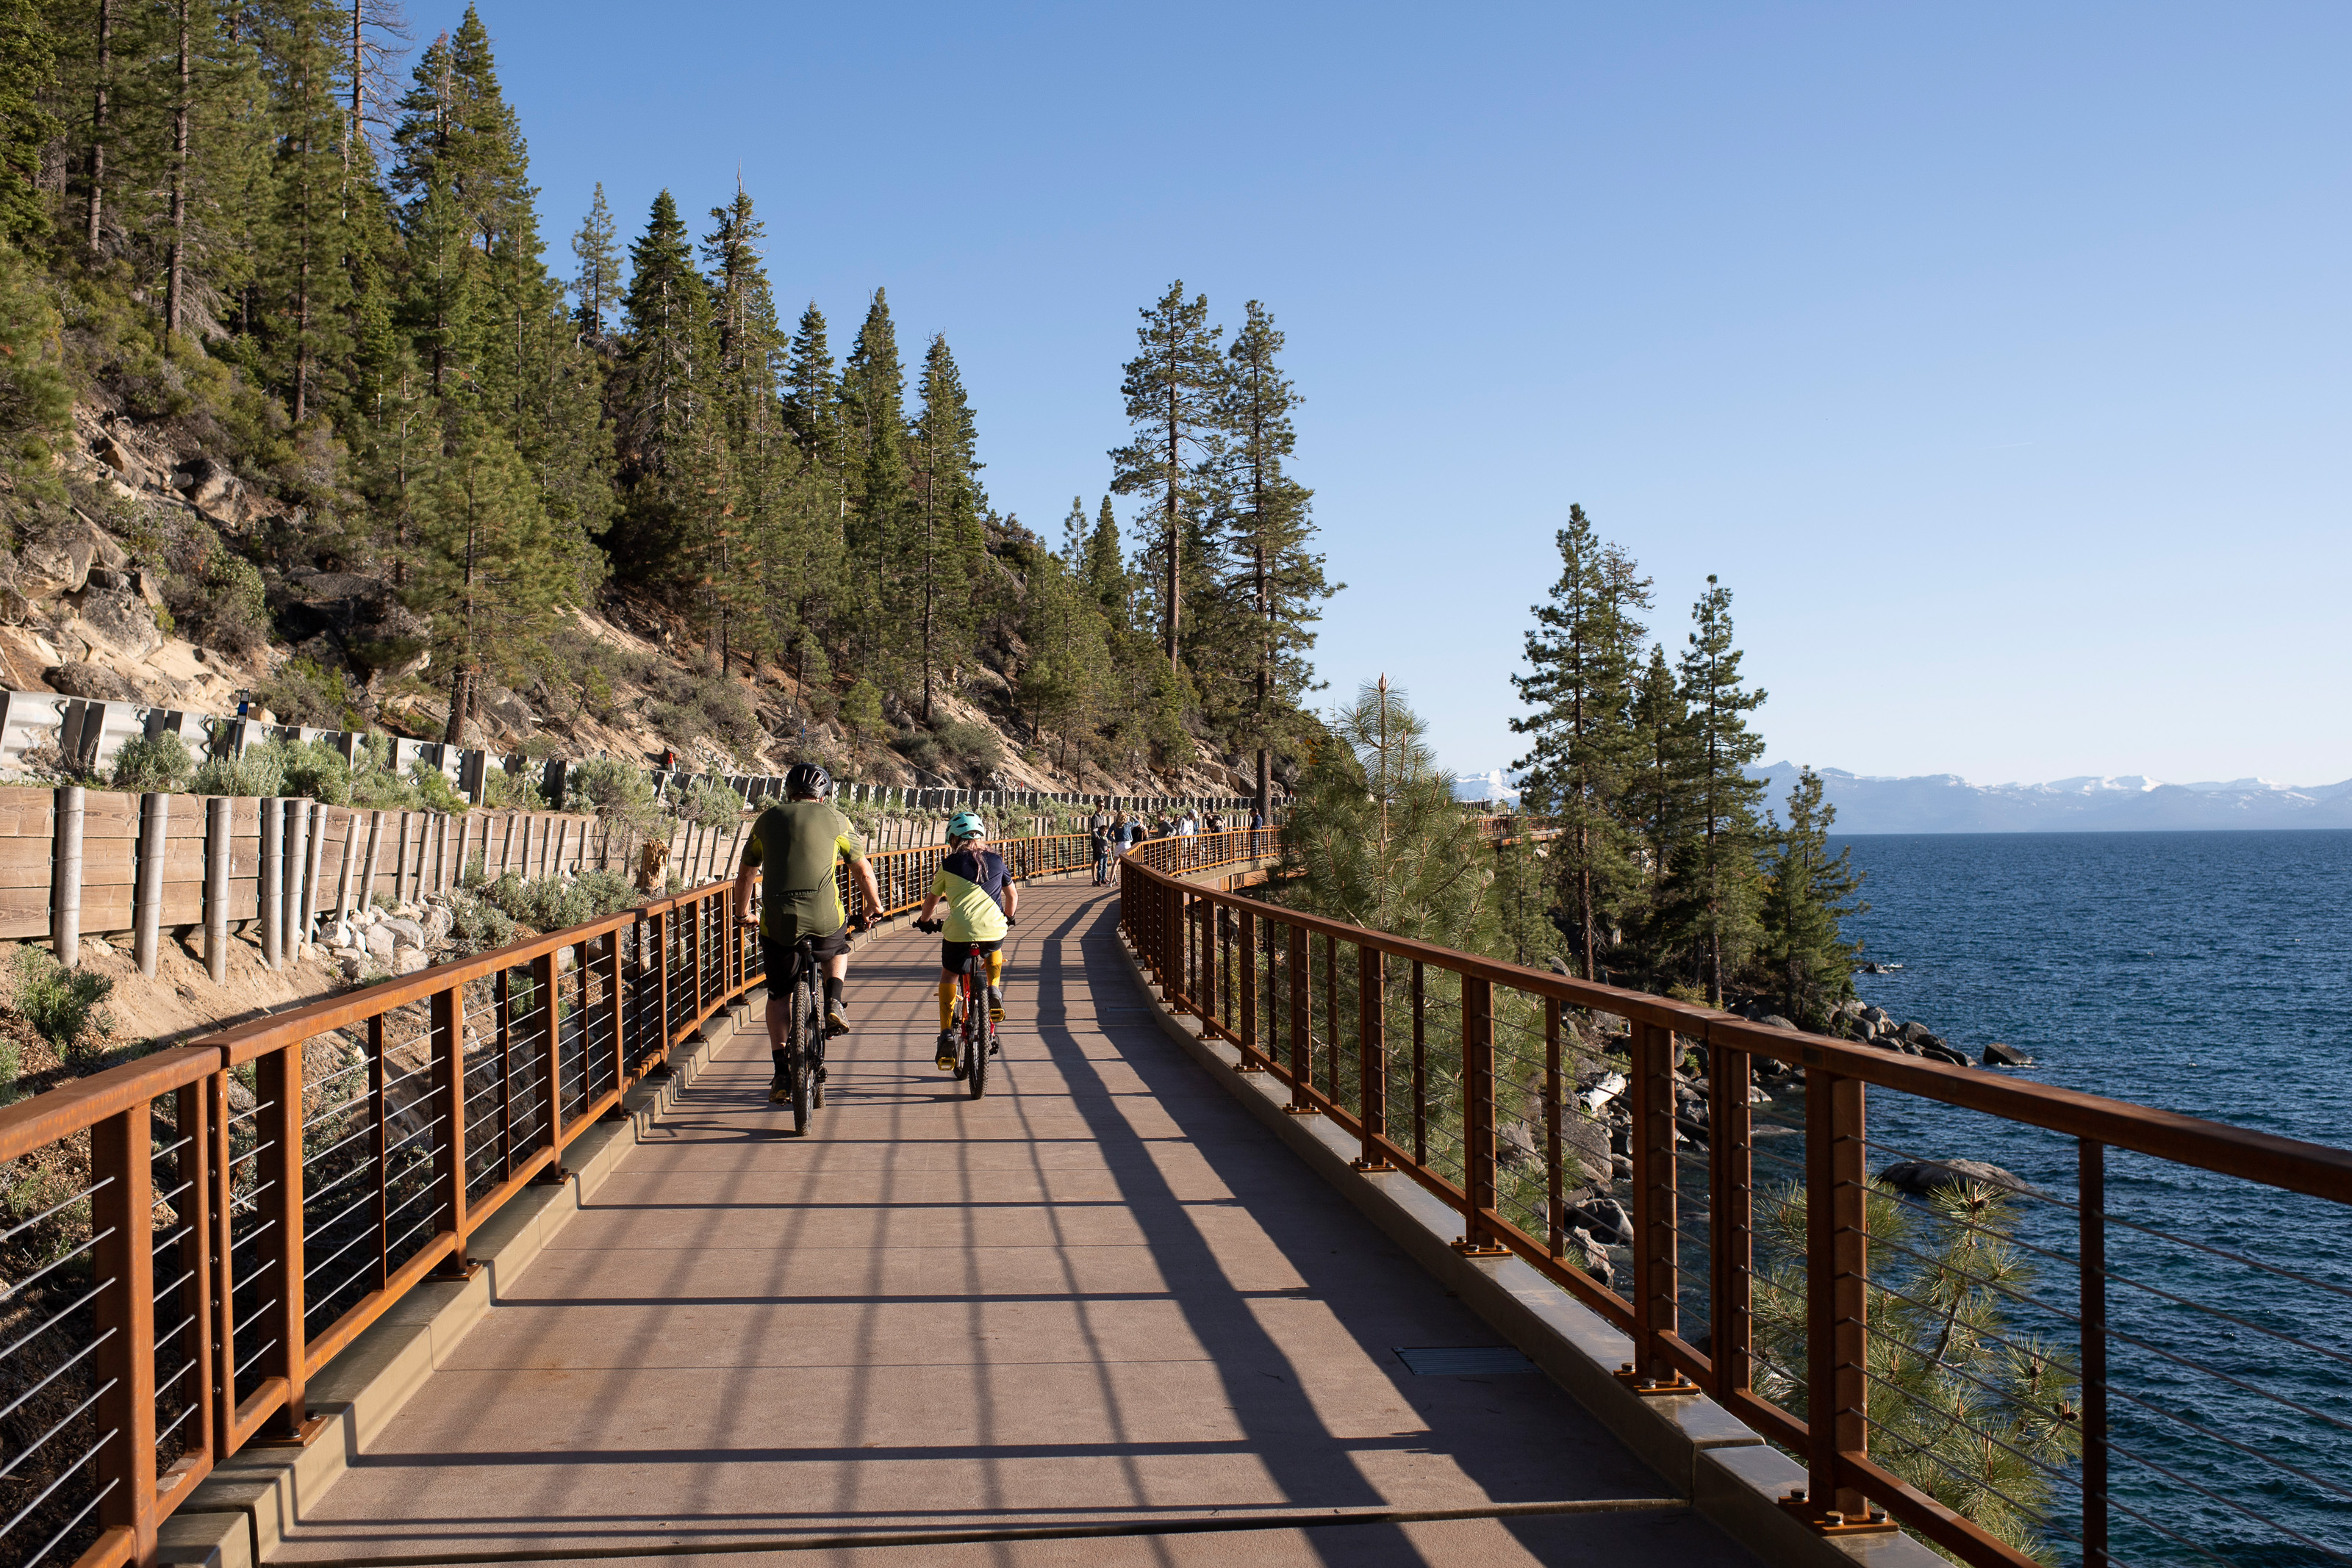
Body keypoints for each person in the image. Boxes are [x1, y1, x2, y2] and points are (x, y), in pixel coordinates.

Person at [732, 762, 884, 1105]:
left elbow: (745, 876)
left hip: (779, 922)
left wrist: (742, 914)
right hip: (824, 918)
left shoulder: (766, 820)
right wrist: (873, 906)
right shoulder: (837, 819)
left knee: (777, 996)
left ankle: (781, 1073)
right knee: (839, 946)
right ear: (824, 795)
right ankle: (834, 1000)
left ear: (788, 792)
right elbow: (862, 870)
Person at [915, 812, 1015, 1072]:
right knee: (994, 946)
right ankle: (994, 990)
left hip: (958, 933)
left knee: (949, 974)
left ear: (953, 839)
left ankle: (946, 1033)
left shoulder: (949, 863)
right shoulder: (997, 860)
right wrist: (1008, 919)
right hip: (993, 931)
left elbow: (932, 900)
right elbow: (1012, 896)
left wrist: (925, 921)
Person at [1089, 815, 1111, 885]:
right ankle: (1099, 879)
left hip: (1105, 853)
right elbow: (1094, 830)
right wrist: (1099, 829)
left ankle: (1103, 878)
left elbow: (1107, 844)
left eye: (1106, 831)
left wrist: (1109, 848)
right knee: (1100, 866)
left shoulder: (1106, 838)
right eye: (1103, 831)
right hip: (1100, 853)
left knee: (1105, 867)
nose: (1105, 832)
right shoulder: (1099, 837)